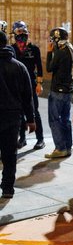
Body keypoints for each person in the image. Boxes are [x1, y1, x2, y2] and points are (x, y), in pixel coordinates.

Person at [0, 31, 35, 199]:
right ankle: (8, 188)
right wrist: (31, 120)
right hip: (12, 117)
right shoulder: (19, 66)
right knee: (9, 154)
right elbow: (27, 96)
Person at [12, 21, 45, 149]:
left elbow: (40, 68)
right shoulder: (12, 49)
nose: (21, 34)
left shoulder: (34, 49)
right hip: (17, 86)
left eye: (23, 31)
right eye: (18, 32)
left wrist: (39, 83)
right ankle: (23, 138)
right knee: (19, 112)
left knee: (34, 111)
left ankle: (40, 139)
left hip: (31, 84)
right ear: (14, 34)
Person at [45, 27, 73, 159]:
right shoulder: (70, 50)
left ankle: (60, 148)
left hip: (57, 90)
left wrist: (49, 52)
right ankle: (67, 147)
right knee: (65, 119)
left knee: (54, 120)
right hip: (67, 90)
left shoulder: (60, 52)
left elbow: (49, 68)